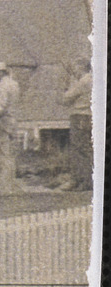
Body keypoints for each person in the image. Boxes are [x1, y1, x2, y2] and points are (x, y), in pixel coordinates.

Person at [0, 62, 20, 191]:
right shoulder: (14, 84)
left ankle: (4, 183)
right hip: (12, 119)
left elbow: (1, 106)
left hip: (4, 120)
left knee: (2, 151)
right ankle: (10, 181)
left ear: (0, 72)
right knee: (10, 152)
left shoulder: (2, 86)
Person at [62, 58, 93, 191]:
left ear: (81, 67)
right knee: (86, 148)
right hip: (90, 116)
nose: (75, 70)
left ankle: (83, 180)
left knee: (79, 149)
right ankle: (86, 179)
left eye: (76, 67)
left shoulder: (83, 81)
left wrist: (67, 85)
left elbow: (66, 98)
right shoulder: (93, 79)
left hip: (79, 115)